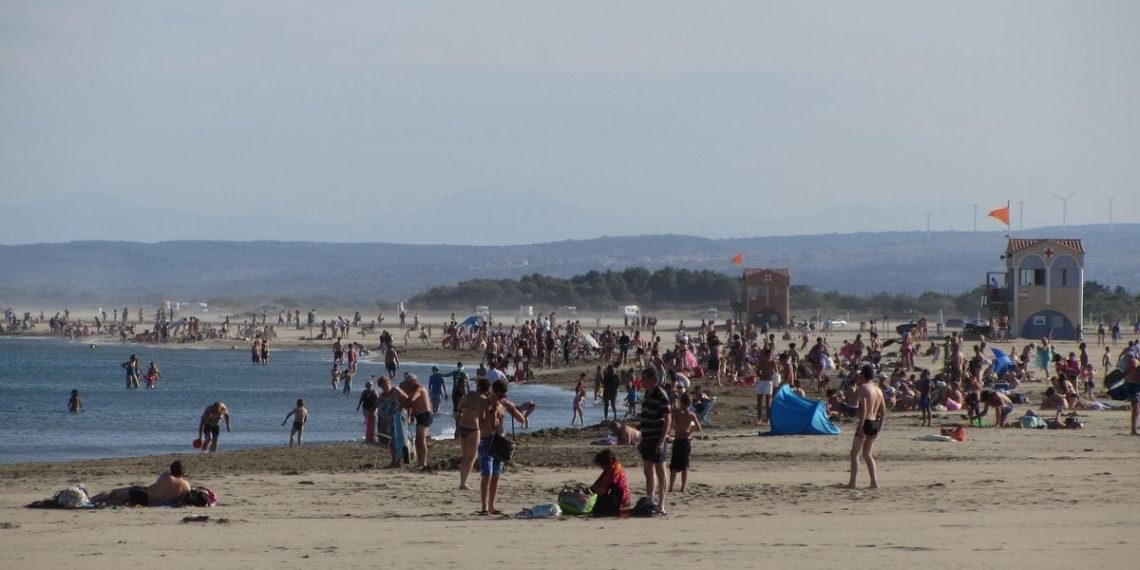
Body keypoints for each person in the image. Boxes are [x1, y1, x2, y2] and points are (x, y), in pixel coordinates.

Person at [477, 379, 529, 515]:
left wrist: (513, 408)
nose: (501, 398)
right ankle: (484, 507)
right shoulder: (484, 402)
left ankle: (492, 506)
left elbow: (522, 420)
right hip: (486, 440)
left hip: (500, 442)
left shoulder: (504, 404)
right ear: (493, 391)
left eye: (503, 396)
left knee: (496, 474)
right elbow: (478, 420)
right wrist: (491, 410)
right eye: (499, 395)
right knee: (487, 474)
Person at [638, 367, 672, 513]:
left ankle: (661, 505)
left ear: (653, 379)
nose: (642, 381)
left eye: (644, 378)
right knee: (648, 470)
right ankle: (650, 500)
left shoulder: (661, 395)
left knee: (660, 470)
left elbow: (668, 419)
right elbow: (645, 417)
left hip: (657, 438)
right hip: (646, 437)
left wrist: (661, 441)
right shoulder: (647, 394)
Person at [848, 365, 886, 489]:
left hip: (866, 422)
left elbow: (863, 409)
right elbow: (883, 412)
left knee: (854, 453)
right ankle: (874, 482)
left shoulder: (863, 388)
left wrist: (860, 426)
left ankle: (852, 483)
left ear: (863, 375)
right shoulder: (878, 390)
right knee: (867, 454)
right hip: (874, 423)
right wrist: (879, 428)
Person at [92, 461, 191, 507]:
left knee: (113, 493)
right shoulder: (186, 486)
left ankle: (90, 500)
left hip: (143, 494)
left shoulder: (166, 476)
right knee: (118, 500)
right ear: (183, 473)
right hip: (149, 503)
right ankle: (98, 502)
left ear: (171, 469)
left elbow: (157, 485)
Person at [456, 378, 491, 490]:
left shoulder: (470, 394)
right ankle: (463, 483)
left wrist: (467, 409)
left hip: (462, 426)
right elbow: (483, 417)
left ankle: (462, 481)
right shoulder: (484, 400)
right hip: (473, 428)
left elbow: (459, 406)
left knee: (465, 456)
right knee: (472, 457)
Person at [668, 393, 702, 493]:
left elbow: (672, 425)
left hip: (678, 440)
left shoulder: (677, 413)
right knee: (684, 465)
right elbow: (698, 428)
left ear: (681, 402)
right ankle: (683, 487)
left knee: (674, 465)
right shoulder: (691, 415)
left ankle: (671, 487)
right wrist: (690, 430)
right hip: (686, 441)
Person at [398, 373, 432, 470]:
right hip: (419, 416)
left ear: (413, 381)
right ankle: (420, 462)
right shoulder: (412, 389)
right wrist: (411, 415)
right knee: (418, 441)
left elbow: (412, 399)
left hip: (425, 415)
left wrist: (401, 406)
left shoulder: (419, 389)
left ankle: (423, 463)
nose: (407, 385)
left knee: (420, 440)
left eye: (409, 383)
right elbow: (414, 404)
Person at [590, 449, 631, 517]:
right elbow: (600, 483)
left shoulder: (616, 470)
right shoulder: (609, 469)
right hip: (616, 496)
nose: (601, 467)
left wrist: (596, 490)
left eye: (602, 465)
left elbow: (608, 487)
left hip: (620, 498)